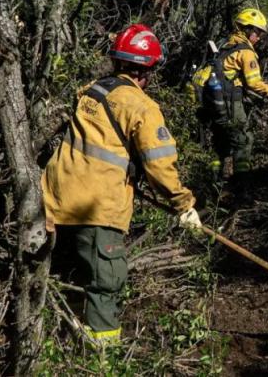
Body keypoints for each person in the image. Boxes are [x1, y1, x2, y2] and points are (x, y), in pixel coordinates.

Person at [42, 23, 202, 346]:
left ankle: (58, 344)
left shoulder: (92, 91)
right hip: (98, 210)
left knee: (69, 278)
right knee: (106, 282)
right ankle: (104, 357)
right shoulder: (142, 106)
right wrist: (184, 205)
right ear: (149, 69)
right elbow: (160, 165)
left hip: (56, 202)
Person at [208, 8, 268, 184]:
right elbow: (254, 83)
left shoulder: (226, 43)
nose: (259, 37)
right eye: (257, 32)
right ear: (247, 29)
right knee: (244, 138)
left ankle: (214, 181)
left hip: (215, 98)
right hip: (230, 100)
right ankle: (241, 183)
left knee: (220, 140)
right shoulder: (246, 52)